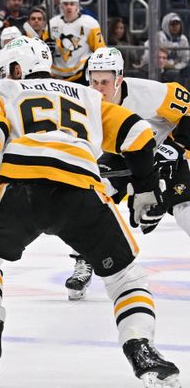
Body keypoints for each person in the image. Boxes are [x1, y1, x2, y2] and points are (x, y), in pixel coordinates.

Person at [0, 36, 181, 388]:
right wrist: (146, 190)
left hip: (21, 190)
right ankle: (142, 349)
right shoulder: (86, 95)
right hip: (82, 192)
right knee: (125, 277)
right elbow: (137, 133)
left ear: (15, 69)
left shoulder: (7, 91)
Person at [62, 47, 190, 300]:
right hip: (122, 155)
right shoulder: (82, 102)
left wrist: (176, 146)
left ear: (119, 78)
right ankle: (84, 259)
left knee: (185, 208)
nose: (98, 88)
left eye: (105, 82)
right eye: (94, 81)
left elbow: (189, 110)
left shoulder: (152, 93)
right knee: (88, 201)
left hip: (164, 153)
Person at [49, 0, 105, 83]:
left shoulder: (90, 24)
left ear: (77, 5)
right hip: (56, 75)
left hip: (81, 73)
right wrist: (47, 46)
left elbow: (100, 50)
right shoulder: (51, 24)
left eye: (72, 4)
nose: (69, 7)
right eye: (65, 4)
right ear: (61, 5)